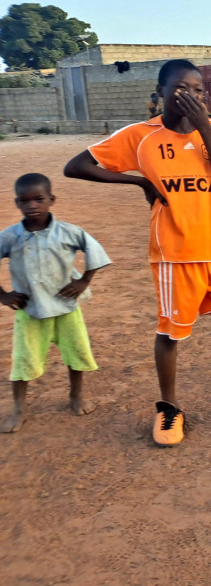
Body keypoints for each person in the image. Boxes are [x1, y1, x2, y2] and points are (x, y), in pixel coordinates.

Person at [64, 58, 211, 447]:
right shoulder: (141, 136)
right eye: (181, 88)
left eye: (198, 90)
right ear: (161, 92)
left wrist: (205, 127)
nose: (191, 95)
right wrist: (139, 182)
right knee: (170, 334)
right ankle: (169, 408)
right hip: (175, 253)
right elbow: (76, 166)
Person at [0, 173, 110, 433]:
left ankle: (76, 395)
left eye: (39, 199)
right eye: (25, 201)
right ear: (17, 203)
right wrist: (3, 295)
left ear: (51, 199)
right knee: (23, 361)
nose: (32, 205)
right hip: (30, 311)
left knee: (75, 353)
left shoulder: (68, 232)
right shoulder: (10, 236)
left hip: (66, 307)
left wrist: (84, 281)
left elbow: (94, 250)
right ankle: (20, 409)